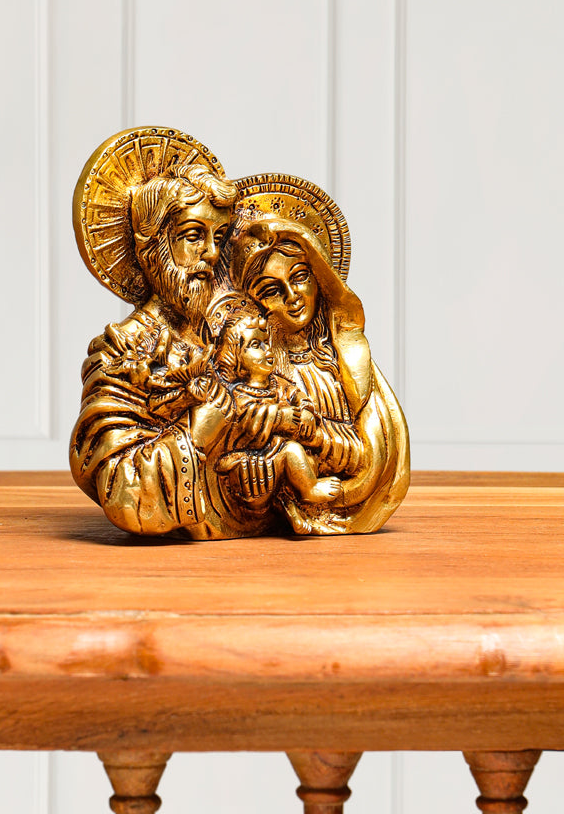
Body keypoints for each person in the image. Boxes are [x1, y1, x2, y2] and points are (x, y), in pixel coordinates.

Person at [71, 145, 280, 539]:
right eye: (193, 236)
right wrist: (197, 434)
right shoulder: (122, 352)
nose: (212, 253)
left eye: (219, 236)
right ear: (152, 247)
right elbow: (123, 490)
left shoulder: (231, 329)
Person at [228, 216, 410, 533]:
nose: (292, 296)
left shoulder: (342, 365)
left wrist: (312, 434)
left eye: (299, 277)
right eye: (272, 290)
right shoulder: (260, 377)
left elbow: (367, 456)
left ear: (319, 278)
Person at [209, 308, 345, 529]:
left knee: (306, 458)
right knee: (292, 451)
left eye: (266, 342)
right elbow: (248, 421)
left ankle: (289, 507)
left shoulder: (277, 384)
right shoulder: (239, 395)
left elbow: (297, 395)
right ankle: (309, 490)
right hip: (255, 465)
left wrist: (306, 411)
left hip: (276, 458)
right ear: (236, 358)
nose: (267, 350)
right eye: (256, 345)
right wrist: (281, 417)